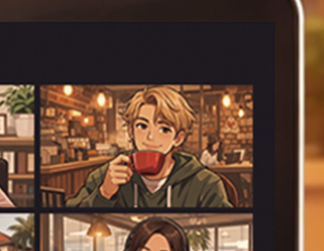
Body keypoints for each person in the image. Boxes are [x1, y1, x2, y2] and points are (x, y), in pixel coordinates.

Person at [66, 85, 232, 211]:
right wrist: (104, 193)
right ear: (131, 131)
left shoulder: (204, 183)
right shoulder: (107, 175)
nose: (150, 137)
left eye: (164, 129)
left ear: (178, 138)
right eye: (142, 126)